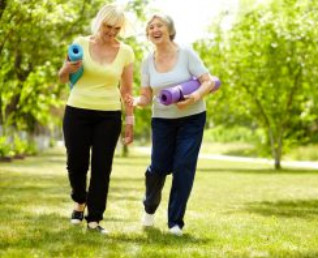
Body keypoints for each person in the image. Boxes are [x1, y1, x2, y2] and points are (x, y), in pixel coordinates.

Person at [126, 14, 215, 236]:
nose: (154, 29)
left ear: (170, 30)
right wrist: (137, 101)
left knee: (183, 167)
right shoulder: (147, 61)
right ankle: (149, 207)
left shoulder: (186, 53)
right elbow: (146, 95)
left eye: (160, 26)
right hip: (163, 120)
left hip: (192, 118)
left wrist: (193, 97)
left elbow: (209, 81)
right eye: (150, 27)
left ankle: (175, 223)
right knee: (158, 168)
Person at [58, 3, 135, 234]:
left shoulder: (126, 51)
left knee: (102, 167)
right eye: (108, 26)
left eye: (117, 28)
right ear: (100, 21)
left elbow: (127, 90)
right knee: (76, 164)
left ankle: (95, 219)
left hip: (108, 115)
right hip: (77, 111)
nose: (111, 32)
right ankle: (79, 202)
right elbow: (62, 78)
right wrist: (68, 68)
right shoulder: (80, 43)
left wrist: (129, 120)